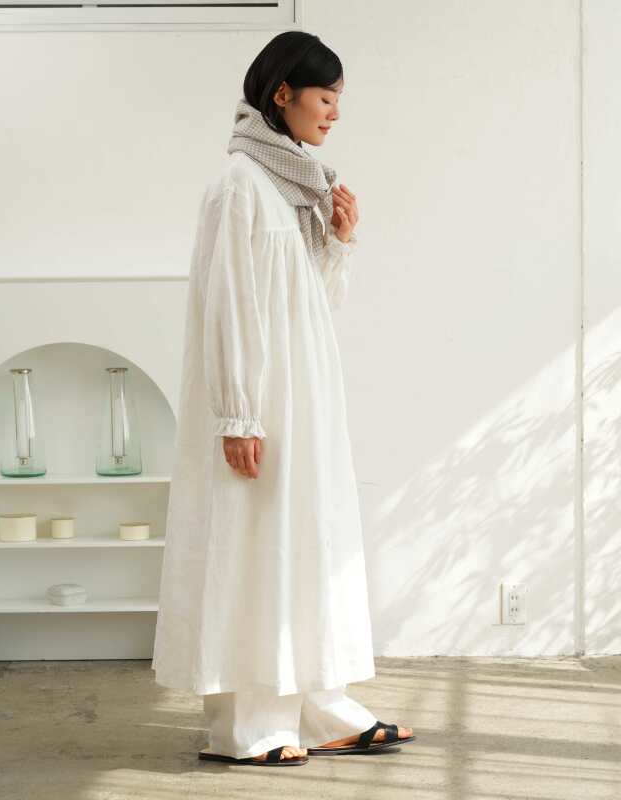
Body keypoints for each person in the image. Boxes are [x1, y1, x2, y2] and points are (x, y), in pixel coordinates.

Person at [151, 30, 415, 766]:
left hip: (304, 396)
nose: (335, 113)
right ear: (282, 93)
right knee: (254, 549)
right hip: (263, 401)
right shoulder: (239, 184)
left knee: (307, 543)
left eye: (338, 100)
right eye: (325, 97)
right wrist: (238, 412)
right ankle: (248, 726)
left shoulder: (295, 186)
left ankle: (320, 709)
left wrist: (338, 240)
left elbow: (309, 304)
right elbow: (229, 304)